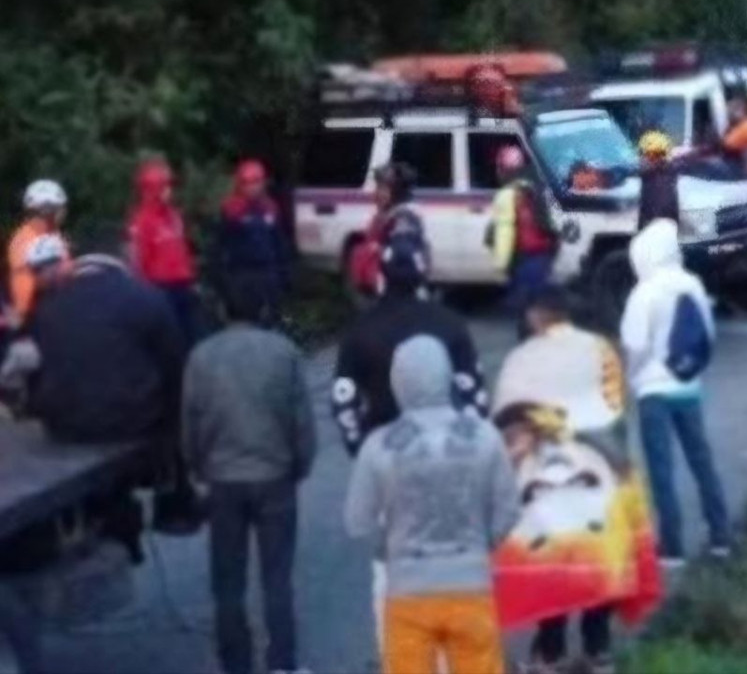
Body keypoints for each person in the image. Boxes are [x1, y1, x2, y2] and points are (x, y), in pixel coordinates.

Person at [492, 287, 662, 674]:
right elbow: (615, 410)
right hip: (601, 474)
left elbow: (506, 424)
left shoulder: (524, 358)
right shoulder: (602, 350)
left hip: (547, 483)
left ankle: (549, 654)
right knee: (599, 559)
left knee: (551, 566)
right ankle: (598, 650)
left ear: (537, 315)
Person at [332, 229, 487, 647]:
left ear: (380, 271)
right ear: (424, 271)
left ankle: (399, 652)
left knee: (391, 561)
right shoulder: (449, 324)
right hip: (448, 454)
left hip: (387, 456)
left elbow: (343, 401)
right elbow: (475, 395)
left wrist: (360, 449)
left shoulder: (361, 329)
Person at [344, 336, 519, 674]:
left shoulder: (378, 445)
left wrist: (386, 549)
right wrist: (481, 546)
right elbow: (508, 510)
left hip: (408, 592)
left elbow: (358, 521)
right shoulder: (485, 436)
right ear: (447, 376)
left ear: (398, 382)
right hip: (471, 587)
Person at [182, 278, 315, 674]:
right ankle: (282, 663)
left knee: (228, 581)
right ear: (262, 311)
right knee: (276, 577)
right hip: (275, 477)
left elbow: (190, 423)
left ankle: (235, 663)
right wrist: (299, 465)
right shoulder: (284, 353)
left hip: (223, 480)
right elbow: (302, 423)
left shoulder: (201, 357)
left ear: (222, 311)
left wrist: (197, 468)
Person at [620, 219, 731, 563]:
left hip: (654, 392)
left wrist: (633, 378)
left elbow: (635, 345)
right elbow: (706, 335)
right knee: (702, 462)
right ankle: (721, 537)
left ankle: (672, 546)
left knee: (661, 470)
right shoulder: (693, 284)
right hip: (688, 386)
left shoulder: (645, 291)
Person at [26, 235, 185, 444]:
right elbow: (175, 366)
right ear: (126, 250)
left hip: (64, 427)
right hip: (133, 425)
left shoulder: (46, 307)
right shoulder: (144, 296)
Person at [127, 158, 201, 345]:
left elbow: (182, 250)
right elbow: (138, 260)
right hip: (160, 289)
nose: (171, 191)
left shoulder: (174, 215)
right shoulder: (141, 221)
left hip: (182, 286)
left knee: (189, 337)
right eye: (166, 186)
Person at [490, 145, 559, 339]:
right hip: (542, 257)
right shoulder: (535, 189)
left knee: (525, 313)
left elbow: (504, 233)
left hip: (523, 259)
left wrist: (500, 265)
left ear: (503, 169)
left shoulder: (505, 196)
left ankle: (529, 346)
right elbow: (548, 225)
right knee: (539, 307)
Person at [217, 159, 291, 324]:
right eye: (249, 183)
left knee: (273, 317)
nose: (254, 188)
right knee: (248, 319)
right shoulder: (231, 210)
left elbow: (279, 242)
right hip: (243, 274)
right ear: (241, 185)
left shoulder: (271, 208)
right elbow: (221, 246)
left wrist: (284, 272)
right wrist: (225, 281)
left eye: (257, 182)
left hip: (269, 271)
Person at [349, 162, 425, 300]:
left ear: (398, 191)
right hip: (379, 292)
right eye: (377, 187)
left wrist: (380, 252)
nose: (377, 193)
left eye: (383, 188)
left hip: (398, 298)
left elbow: (404, 259)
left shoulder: (405, 219)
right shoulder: (384, 215)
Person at [7, 179, 69, 326]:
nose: (64, 212)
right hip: (38, 317)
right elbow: (24, 285)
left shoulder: (48, 234)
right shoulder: (28, 240)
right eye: (60, 208)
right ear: (47, 210)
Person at [637, 130, 680, 229]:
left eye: (658, 154)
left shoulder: (672, 173)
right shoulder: (640, 175)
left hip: (668, 225)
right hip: (646, 225)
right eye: (649, 154)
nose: (654, 159)